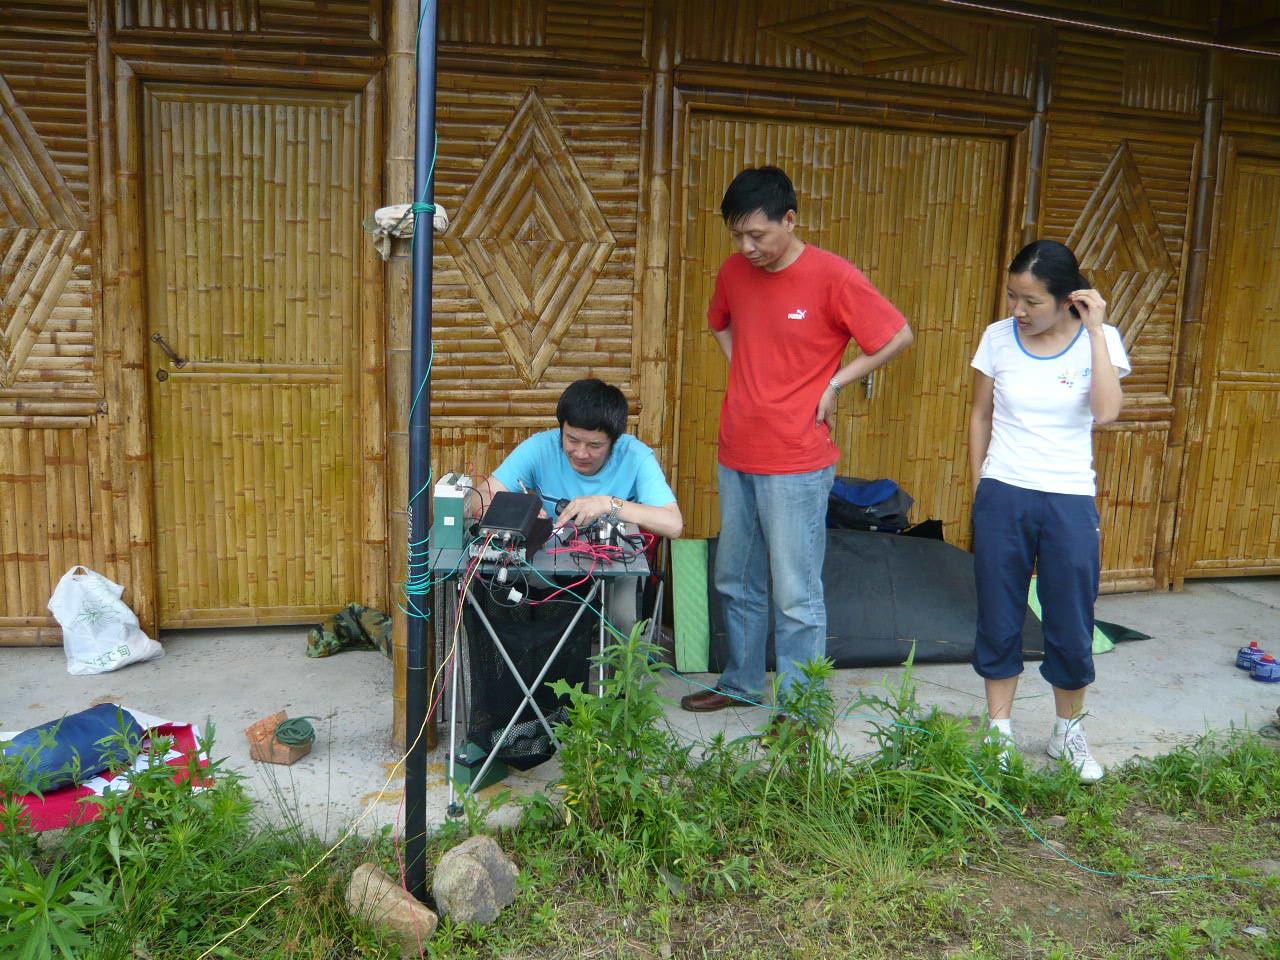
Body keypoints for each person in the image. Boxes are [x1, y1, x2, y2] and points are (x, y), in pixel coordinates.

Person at [679, 166, 914, 715]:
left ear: (790, 219)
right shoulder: (735, 272)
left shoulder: (833, 276)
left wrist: (835, 382)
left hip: (797, 459)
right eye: (736, 235)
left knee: (795, 593)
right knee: (735, 578)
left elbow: (897, 334)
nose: (745, 247)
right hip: (737, 448)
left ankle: (802, 707)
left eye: (757, 234)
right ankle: (739, 682)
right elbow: (719, 322)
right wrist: (748, 373)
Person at [968, 239, 1129, 782]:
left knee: (1070, 618)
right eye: (1014, 297)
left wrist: (1095, 332)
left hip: (1068, 498)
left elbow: (1106, 412)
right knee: (998, 613)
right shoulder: (997, 339)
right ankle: (999, 732)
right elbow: (979, 414)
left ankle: (1068, 733)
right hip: (1004, 492)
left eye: (1031, 301)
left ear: (1069, 300)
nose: (1018, 310)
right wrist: (981, 486)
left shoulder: (1098, 340)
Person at [476, 378, 682, 637]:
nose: (581, 453)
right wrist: (521, 510)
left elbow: (673, 524)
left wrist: (608, 504)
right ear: (561, 429)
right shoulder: (541, 447)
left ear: (614, 441)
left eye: (595, 445)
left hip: (614, 565)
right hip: (548, 564)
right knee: (513, 602)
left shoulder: (636, 456)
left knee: (624, 621)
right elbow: (483, 496)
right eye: (572, 440)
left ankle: (622, 675)